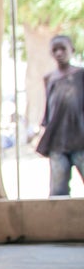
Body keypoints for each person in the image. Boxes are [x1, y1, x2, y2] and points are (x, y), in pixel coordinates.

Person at [35, 34, 84, 196]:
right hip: (57, 141)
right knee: (58, 189)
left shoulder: (80, 75)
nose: (59, 53)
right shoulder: (50, 78)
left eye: (63, 49)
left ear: (72, 50)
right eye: (55, 50)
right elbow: (49, 109)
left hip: (80, 138)